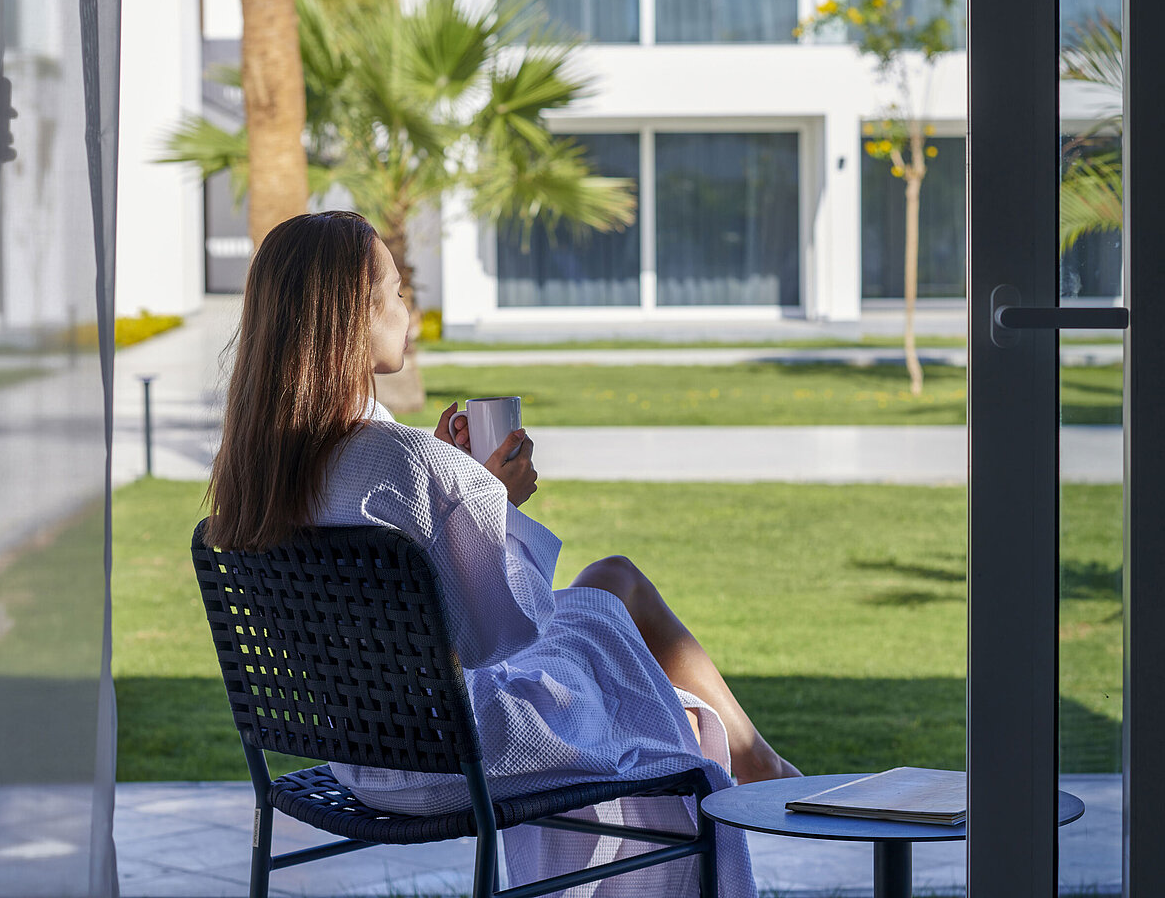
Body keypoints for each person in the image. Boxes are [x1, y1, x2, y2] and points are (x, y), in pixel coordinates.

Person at [205, 211, 801, 896]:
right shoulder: (404, 460)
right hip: (466, 756)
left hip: (361, 762)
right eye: (396, 293)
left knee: (610, 590)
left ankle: (754, 756)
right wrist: (493, 499)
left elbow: (424, 615)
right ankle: (756, 763)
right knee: (614, 610)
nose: (409, 308)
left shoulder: (259, 473)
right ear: (353, 316)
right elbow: (496, 634)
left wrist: (461, 493)